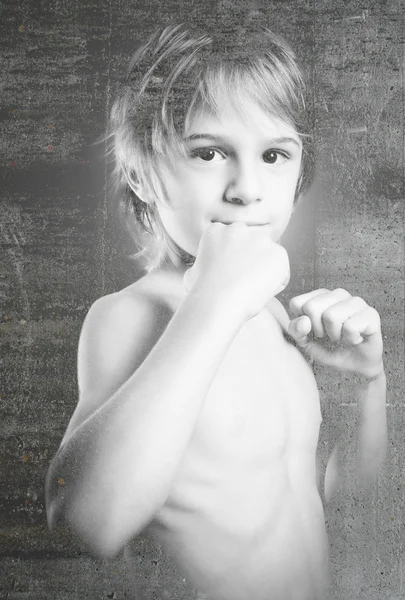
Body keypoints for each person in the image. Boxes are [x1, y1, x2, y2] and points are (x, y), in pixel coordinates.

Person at [45, 23, 387, 600]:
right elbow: (84, 526)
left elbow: (339, 510)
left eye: (274, 154)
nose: (247, 188)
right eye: (208, 153)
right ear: (140, 175)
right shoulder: (132, 314)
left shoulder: (275, 316)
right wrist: (214, 302)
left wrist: (368, 387)